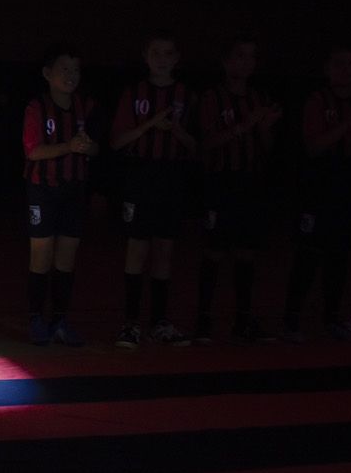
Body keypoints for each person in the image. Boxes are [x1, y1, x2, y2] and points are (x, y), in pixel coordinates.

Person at [280, 42, 351, 342]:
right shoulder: (317, 100)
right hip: (319, 185)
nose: (345, 70)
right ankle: (291, 318)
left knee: (339, 254)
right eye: (339, 63)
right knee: (309, 252)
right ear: (327, 68)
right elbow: (314, 146)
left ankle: (331, 317)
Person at [110, 32, 198, 349]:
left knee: (164, 249)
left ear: (177, 58)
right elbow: (117, 142)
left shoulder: (186, 95)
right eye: (156, 52)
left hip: (171, 176)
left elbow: (196, 146)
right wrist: (151, 124)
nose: (162, 58)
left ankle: (160, 322)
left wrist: (174, 129)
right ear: (146, 57)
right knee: (137, 248)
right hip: (140, 174)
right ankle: (131, 323)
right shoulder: (134, 93)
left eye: (169, 52)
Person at [194, 36, 283, 344]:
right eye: (239, 56)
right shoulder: (211, 98)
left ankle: (243, 320)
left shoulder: (259, 98)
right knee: (215, 250)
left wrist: (263, 128)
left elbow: (268, 147)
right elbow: (207, 142)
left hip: (250, 181)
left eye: (251, 57)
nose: (246, 62)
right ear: (226, 61)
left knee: (247, 252)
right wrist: (247, 125)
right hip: (221, 182)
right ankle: (203, 320)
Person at [22, 43, 98, 346]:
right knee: (41, 255)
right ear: (47, 73)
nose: (71, 75)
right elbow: (32, 151)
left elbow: (97, 148)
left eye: (76, 70)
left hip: (74, 190)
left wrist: (88, 147)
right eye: (64, 69)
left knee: (66, 258)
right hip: (42, 190)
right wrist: (69, 147)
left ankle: (60, 321)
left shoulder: (86, 107)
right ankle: (36, 319)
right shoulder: (36, 108)